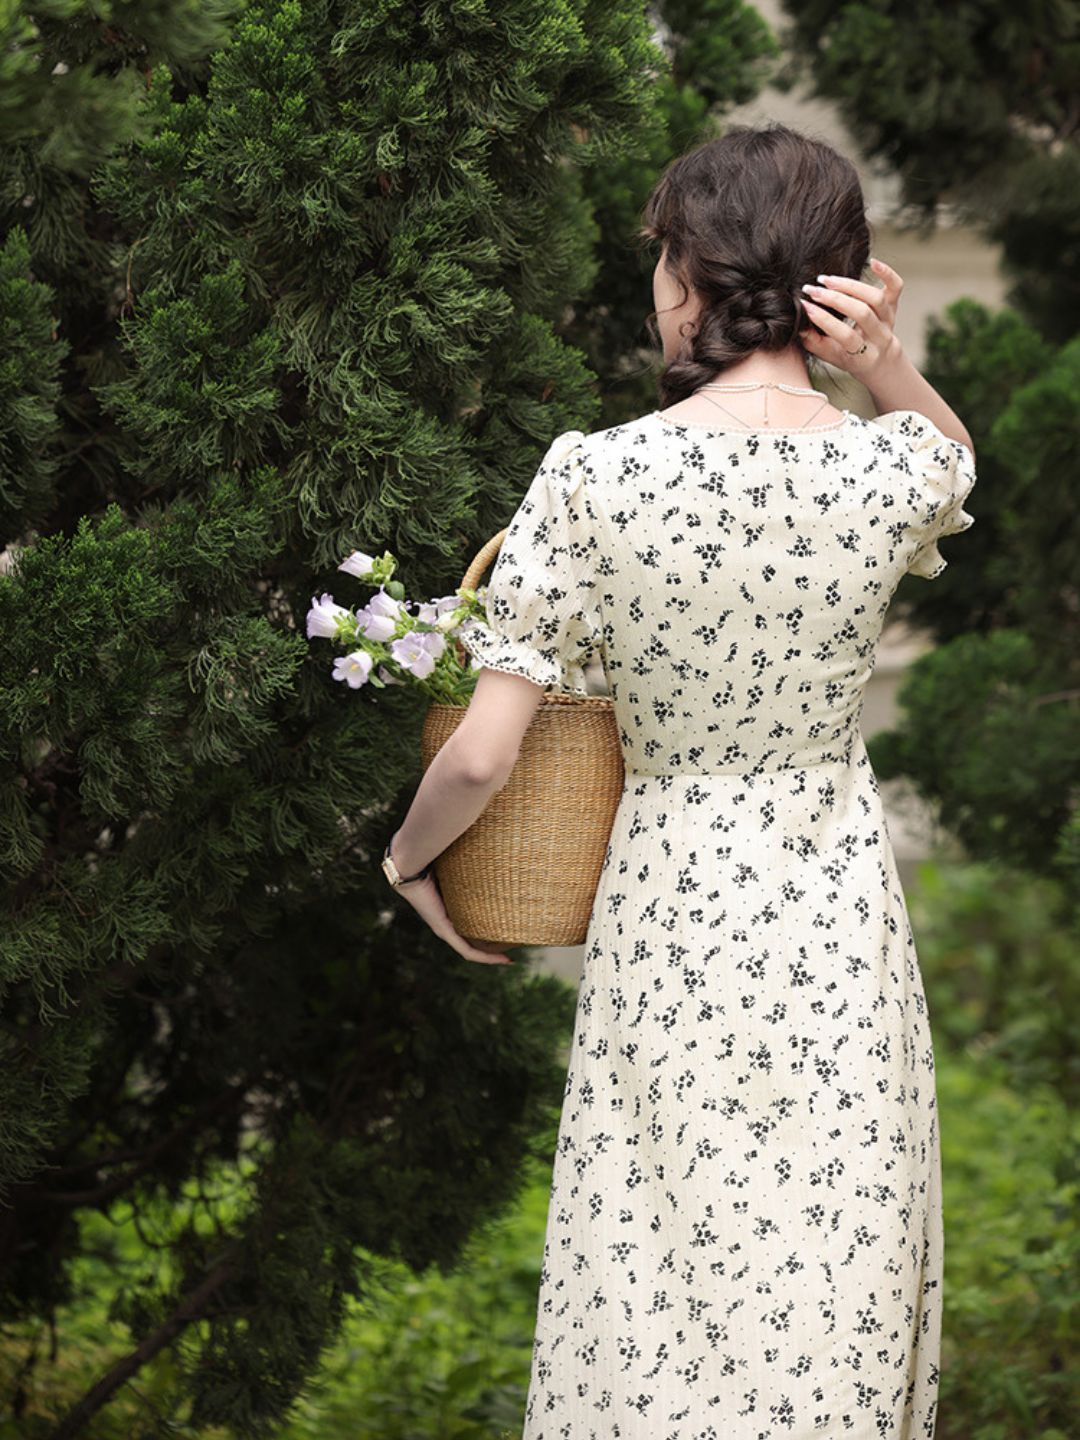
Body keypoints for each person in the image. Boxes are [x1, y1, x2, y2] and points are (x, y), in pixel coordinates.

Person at [381, 121, 975, 1438]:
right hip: (833, 919)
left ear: (689, 275)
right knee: (833, 1267)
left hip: (674, 909)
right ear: (829, 281)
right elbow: (956, 460)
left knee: (653, 1270)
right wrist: (885, 364)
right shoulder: (889, 466)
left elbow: (482, 750)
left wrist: (408, 860)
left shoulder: (598, 475)